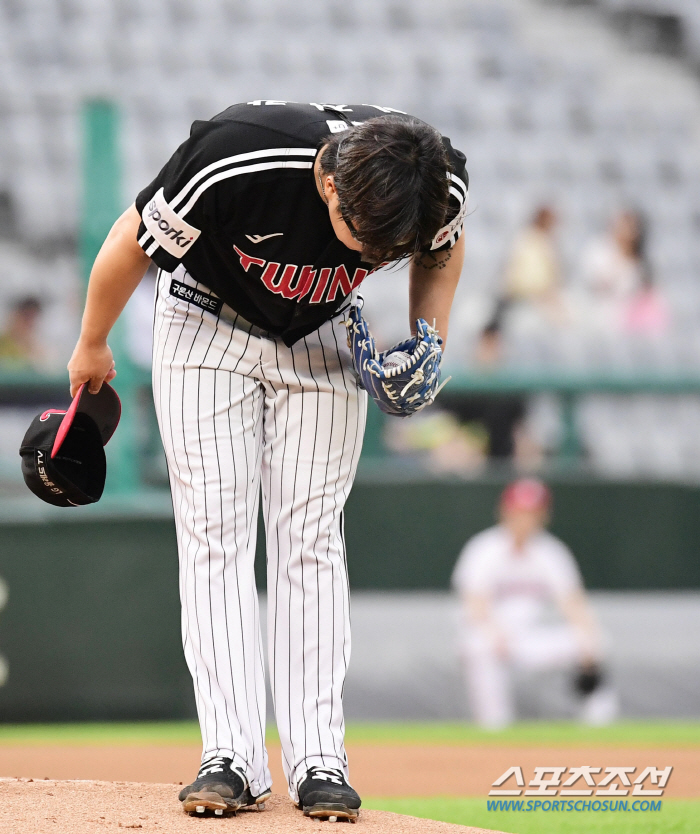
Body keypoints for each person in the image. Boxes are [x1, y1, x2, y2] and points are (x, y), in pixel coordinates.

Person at [67, 101, 468, 819]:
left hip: (321, 336)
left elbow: (442, 247)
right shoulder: (240, 156)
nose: (372, 258)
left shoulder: (435, 179)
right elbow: (133, 237)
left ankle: (320, 757)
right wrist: (93, 341)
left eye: (386, 251)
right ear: (329, 184)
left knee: (310, 541)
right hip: (204, 319)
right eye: (364, 239)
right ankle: (231, 755)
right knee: (216, 531)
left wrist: (428, 335)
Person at [452, 478, 617, 729]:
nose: (525, 520)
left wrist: (588, 640)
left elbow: (573, 604)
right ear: (505, 512)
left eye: (532, 513)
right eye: (519, 512)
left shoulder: (551, 552)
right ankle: (494, 728)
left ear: (543, 516)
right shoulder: (484, 548)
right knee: (479, 645)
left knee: (594, 639)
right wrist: (495, 633)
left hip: (530, 637)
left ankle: (601, 727)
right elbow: (475, 606)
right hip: (492, 632)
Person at [0, 296, 44, 368]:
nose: (30, 324)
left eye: (33, 319)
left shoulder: (37, 348)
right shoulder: (2, 343)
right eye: (26, 318)